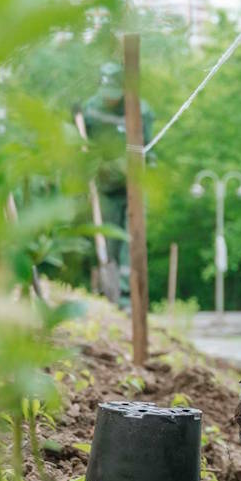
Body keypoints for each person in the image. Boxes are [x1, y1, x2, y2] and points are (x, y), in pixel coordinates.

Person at [81, 61, 153, 310]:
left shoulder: (141, 111)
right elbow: (84, 145)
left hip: (135, 183)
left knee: (133, 238)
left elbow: (149, 149)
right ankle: (107, 293)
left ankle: (128, 297)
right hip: (106, 185)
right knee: (108, 239)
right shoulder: (90, 110)